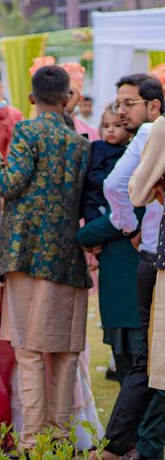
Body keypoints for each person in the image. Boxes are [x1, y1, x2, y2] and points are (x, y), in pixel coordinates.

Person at [0, 65, 90, 453]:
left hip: (24, 252)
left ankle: (33, 441)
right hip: (67, 255)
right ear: (69, 98)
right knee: (65, 349)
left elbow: (9, 183)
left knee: (29, 349)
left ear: (32, 98)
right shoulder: (79, 142)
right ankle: (60, 437)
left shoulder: (27, 131)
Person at [96, 73, 165, 460]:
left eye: (128, 103)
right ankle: (136, 442)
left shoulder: (155, 132)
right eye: (118, 103)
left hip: (156, 254)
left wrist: (130, 227)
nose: (121, 111)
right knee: (151, 357)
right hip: (156, 254)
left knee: (150, 357)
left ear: (153, 106)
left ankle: (127, 443)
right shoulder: (152, 131)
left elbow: (123, 187)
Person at [78, 106, 140, 385]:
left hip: (128, 269)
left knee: (137, 364)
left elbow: (123, 215)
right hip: (116, 269)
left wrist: (88, 236)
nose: (111, 130)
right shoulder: (97, 153)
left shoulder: (133, 160)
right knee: (129, 361)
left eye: (117, 125)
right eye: (106, 126)